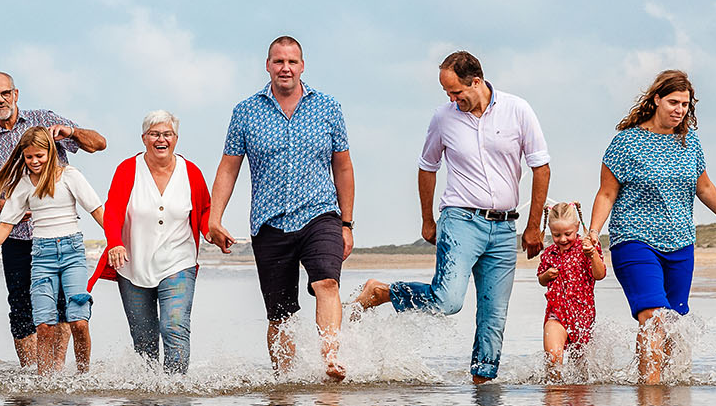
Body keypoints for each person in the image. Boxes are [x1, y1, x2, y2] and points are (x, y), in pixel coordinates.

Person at [353, 50, 550, 384]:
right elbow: (427, 167)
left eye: (456, 92)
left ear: (476, 81)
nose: (452, 99)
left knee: (494, 317)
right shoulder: (443, 118)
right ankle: (383, 293)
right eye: (447, 94)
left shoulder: (518, 110)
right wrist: (427, 219)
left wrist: (533, 227)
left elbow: (540, 167)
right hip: (460, 220)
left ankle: (483, 384)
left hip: (505, 228)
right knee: (448, 300)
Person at [588, 69, 716, 383]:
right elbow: (607, 192)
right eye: (673, 102)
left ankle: (666, 401)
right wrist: (594, 233)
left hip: (680, 242)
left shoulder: (689, 142)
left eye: (685, 104)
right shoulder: (625, 142)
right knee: (653, 318)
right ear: (656, 100)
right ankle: (649, 397)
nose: (679, 110)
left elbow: (703, 188)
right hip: (634, 239)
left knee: (674, 323)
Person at [208, 36, 356, 380]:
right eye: (278, 61)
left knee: (327, 284)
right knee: (280, 314)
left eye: (292, 62)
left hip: (320, 213)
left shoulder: (328, 107)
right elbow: (229, 167)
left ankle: (330, 357)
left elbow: (343, 166)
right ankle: (284, 383)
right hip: (269, 222)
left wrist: (346, 223)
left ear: (302, 66)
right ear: (268, 66)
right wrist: (215, 219)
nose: (285, 68)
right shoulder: (245, 111)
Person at [0, 72, 108, 366]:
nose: (0, 99)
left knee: (66, 309)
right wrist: (17, 208)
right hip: (19, 240)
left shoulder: (44, 120)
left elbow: (99, 144)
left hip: (63, 237)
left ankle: (56, 369)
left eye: (5, 93)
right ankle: (34, 374)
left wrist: (70, 133)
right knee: (21, 309)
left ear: (16, 93)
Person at [91, 111, 215, 374]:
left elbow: (204, 209)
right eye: (155, 134)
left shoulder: (190, 172)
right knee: (144, 341)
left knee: (174, 326)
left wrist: (212, 231)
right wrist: (115, 242)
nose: (162, 139)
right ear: (144, 138)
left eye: (167, 134)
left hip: (178, 262)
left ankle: (174, 394)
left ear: (176, 139)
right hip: (133, 264)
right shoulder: (128, 169)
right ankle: (148, 402)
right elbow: (112, 211)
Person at [537, 202, 605, 379]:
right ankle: (555, 400)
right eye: (556, 235)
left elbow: (600, 274)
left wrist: (593, 255)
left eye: (568, 234)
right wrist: (546, 275)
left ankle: (576, 399)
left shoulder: (587, 249)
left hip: (582, 315)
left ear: (577, 228)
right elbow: (541, 280)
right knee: (553, 360)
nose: (562, 239)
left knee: (581, 370)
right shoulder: (549, 253)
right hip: (556, 313)